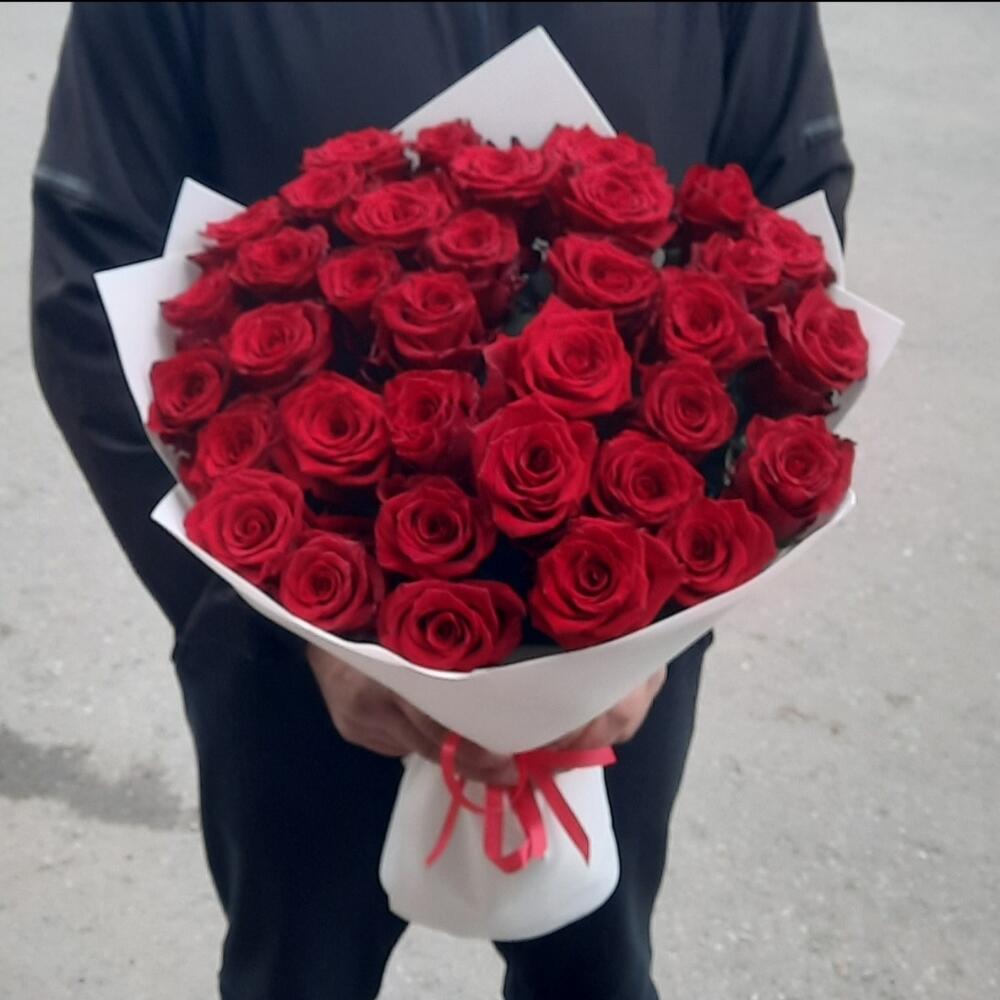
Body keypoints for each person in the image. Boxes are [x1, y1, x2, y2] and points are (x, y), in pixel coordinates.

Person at [31, 4, 852, 998]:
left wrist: (663, 622)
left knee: (595, 972)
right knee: (298, 972)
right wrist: (261, 614)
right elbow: (90, 269)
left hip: (626, 629)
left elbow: (791, 209)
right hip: (290, 642)